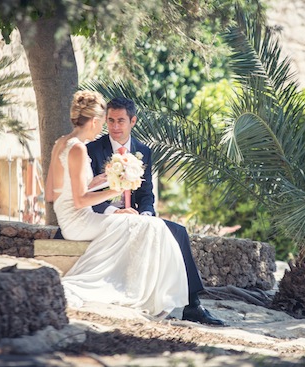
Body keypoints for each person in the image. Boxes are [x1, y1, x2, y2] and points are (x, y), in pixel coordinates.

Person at [45, 90, 189, 317]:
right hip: (79, 221)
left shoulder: (62, 142)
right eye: (103, 121)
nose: (106, 127)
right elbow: (80, 200)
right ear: (94, 121)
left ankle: (154, 294)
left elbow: (55, 191)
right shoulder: (80, 149)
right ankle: (151, 297)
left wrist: (96, 182)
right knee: (152, 227)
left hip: (70, 216)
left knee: (149, 224)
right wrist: (115, 190)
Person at [86, 96, 225, 326]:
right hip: (105, 217)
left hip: (137, 217)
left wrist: (147, 214)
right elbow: (86, 195)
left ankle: (193, 305)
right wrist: (114, 211)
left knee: (178, 232)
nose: (115, 127)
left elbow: (146, 194)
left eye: (121, 121)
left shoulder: (143, 151)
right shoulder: (92, 150)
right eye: (110, 121)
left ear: (133, 121)